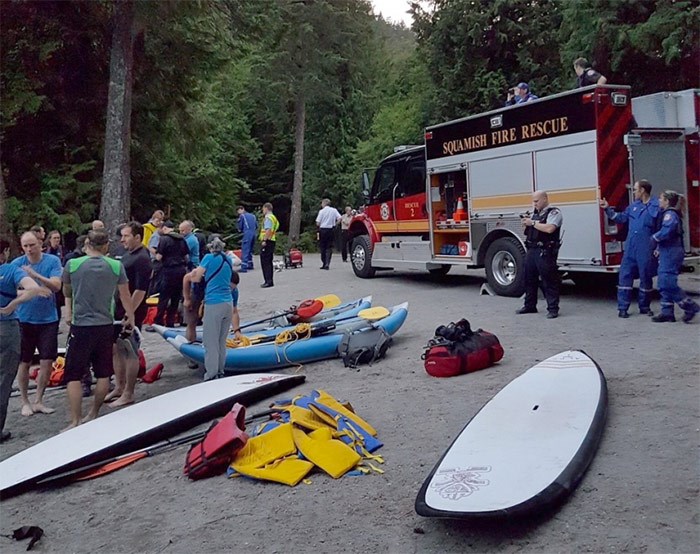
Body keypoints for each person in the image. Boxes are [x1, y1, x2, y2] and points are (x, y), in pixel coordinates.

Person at [62, 229, 134, 428]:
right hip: (105, 325)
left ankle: (75, 420)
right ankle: (93, 412)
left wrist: (68, 311)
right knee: (103, 373)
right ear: (106, 246)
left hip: (81, 325)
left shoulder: (73, 264)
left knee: (74, 374)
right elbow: (124, 294)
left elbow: (66, 291)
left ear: (87, 244)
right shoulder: (115, 265)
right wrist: (131, 316)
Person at [11, 232, 64, 416]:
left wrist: (35, 275)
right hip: (24, 319)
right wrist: (34, 291)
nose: (29, 249)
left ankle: (39, 400)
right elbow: (9, 291)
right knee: (24, 361)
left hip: (48, 319)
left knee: (47, 360)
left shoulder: (52, 261)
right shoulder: (16, 264)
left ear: (40, 243)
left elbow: (57, 286)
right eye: (25, 246)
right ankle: (25, 400)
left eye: (32, 245)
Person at [1, 254, 51, 442]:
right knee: (4, 379)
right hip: (5, 327)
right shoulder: (11, 270)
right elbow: (32, 287)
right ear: (5, 253)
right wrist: (13, 303)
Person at [105, 222, 152, 406]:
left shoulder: (142, 258)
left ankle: (129, 392)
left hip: (132, 310)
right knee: (116, 349)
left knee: (129, 349)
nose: (122, 239)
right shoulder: (127, 254)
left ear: (137, 237)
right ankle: (119, 386)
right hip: (118, 308)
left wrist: (129, 313)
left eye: (126, 236)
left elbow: (140, 290)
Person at [184, 236, 242, 381]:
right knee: (221, 341)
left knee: (210, 342)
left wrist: (191, 275)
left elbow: (197, 278)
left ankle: (210, 374)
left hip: (213, 302)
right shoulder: (227, 259)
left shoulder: (208, 258)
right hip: (227, 303)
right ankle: (221, 371)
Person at [600, 180, 660, 318]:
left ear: (643, 190)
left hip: (646, 248)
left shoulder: (656, 206)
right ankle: (622, 308)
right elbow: (620, 218)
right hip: (631, 247)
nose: (633, 192)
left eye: (635, 189)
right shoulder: (633, 206)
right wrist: (607, 208)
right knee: (625, 275)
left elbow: (661, 228)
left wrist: (658, 247)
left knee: (645, 276)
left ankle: (644, 307)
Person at [650, 191, 700, 323]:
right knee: (663, 283)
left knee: (667, 282)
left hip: (672, 252)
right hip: (667, 250)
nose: (659, 201)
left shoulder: (670, 215)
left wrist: (655, 237)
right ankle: (667, 312)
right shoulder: (668, 213)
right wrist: (658, 248)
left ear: (667, 201)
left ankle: (690, 306)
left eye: (661, 198)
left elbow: (668, 231)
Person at [517, 191, 563, 319]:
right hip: (532, 250)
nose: (534, 204)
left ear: (544, 199)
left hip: (545, 251)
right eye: (533, 201)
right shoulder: (535, 214)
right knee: (529, 279)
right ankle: (530, 305)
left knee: (549, 280)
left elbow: (550, 229)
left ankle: (553, 308)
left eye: (536, 201)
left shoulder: (554, 213)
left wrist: (532, 223)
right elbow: (528, 232)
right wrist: (526, 224)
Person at [154, 221, 189, 327]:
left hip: (168, 270)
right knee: (176, 297)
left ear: (164, 228)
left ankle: (159, 321)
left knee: (164, 297)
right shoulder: (182, 239)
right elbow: (186, 256)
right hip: (180, 270)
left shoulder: (164, 239)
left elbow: (159, 257)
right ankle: (170, 321)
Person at [316, 198, 341, 270]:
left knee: (322, 246)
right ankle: (327, 263)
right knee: (329, 247)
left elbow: (318, 222)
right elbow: (339, 218)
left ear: (324, 203)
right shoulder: (334, 210)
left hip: (323, 229)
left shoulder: (321, 211)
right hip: (331, 229)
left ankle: (324, 262)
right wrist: (335, 224)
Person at [259, 202, 279, 288]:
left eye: (263, 209)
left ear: (266, 208)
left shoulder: (268, 218)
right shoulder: (274, 217)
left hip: (267, 240)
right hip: (272, 240)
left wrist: (264, 240)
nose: (263, 211)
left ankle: (268, 281)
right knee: (269, 261)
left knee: (265, 262)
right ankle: (269, 280)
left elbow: (268, 230)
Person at [236, 205, 258, 273]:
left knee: (245, 249)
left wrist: (240, 229)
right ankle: (250, 264)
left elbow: (240, 227)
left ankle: (244, 267)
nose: (238, 213)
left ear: (241, 209)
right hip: (254, 233)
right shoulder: (253, 216)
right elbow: (256, 225)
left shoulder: (242, 216)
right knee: (250, 250)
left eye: (238, 211)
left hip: (247, 234)